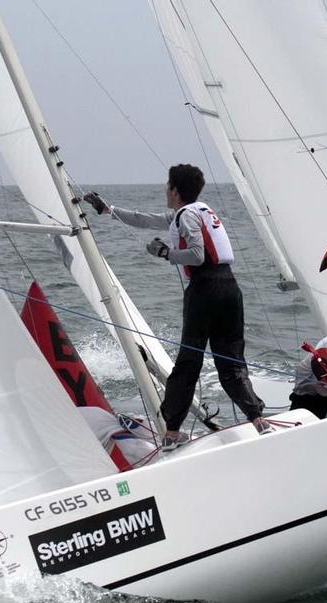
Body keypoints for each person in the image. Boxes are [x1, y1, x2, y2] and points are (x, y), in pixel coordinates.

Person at [82, 164, 267, 452]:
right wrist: (109, 210)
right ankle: (258, 420)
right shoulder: (199, 211)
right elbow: (147, 220)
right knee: (231, 361)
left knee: (188, 362)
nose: (165, 189)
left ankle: (171, 434)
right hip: (230, 289)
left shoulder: (186, 216)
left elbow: (196, 255)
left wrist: (165, 253)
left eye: (167, 185)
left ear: (175, 190)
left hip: (206, 289)